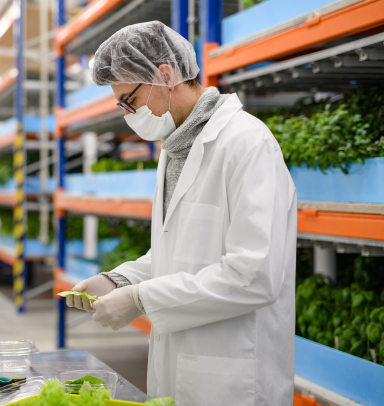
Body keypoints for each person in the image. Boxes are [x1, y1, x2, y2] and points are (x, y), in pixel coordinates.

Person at [66, 21, 297, 406]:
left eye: (129, 99)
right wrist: (118, 280)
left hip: (233, 376)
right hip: (180, 368)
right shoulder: (174, 147)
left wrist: (141, 299)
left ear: (165, 75)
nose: (127, 113)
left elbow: (254, 275)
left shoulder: (246, 144)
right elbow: (178, 254)